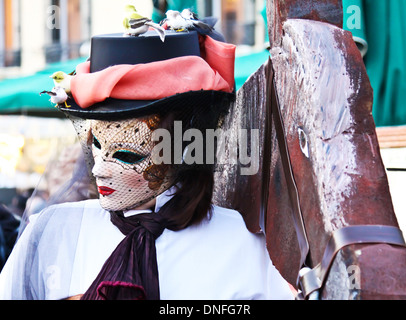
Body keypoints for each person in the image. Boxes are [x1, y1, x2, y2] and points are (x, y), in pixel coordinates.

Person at [0, 19, 294, 300]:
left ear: (183, 147)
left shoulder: (240, 245)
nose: (100, 169)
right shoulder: (54, 233)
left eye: (127, 154)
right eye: (97, 146)